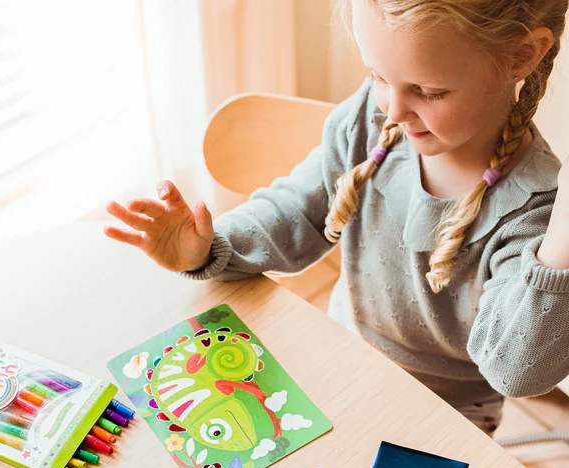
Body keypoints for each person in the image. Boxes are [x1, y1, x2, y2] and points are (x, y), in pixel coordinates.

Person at [104, 0, 569, 434]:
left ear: (522, 55)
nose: (393, 109)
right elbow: (297, 209)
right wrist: (208, 248)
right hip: (340, 362)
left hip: (445, 418)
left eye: (429, 92)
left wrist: (562, 242)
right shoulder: (372, 119)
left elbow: (517, 371)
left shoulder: (538, 211)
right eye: (378, 75)